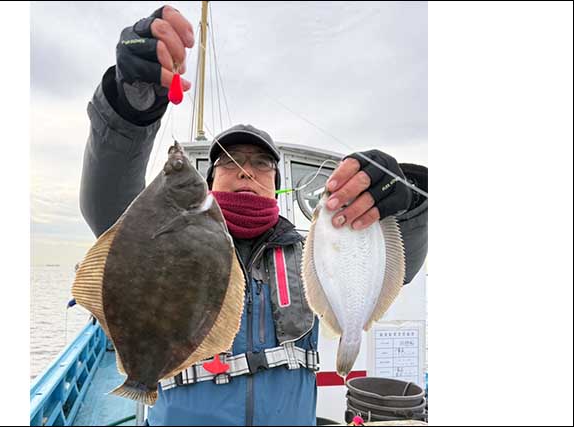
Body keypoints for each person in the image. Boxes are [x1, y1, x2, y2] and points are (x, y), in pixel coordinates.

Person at [79, 5, 428, 426]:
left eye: (261, 164)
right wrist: (127, 105)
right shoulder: (163, 237)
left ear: (276, 181)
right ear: (209, 181)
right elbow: (107, 202)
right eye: (229, 161)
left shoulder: (308, 252)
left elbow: (396, 262)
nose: (245, 170)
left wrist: (407, 194)